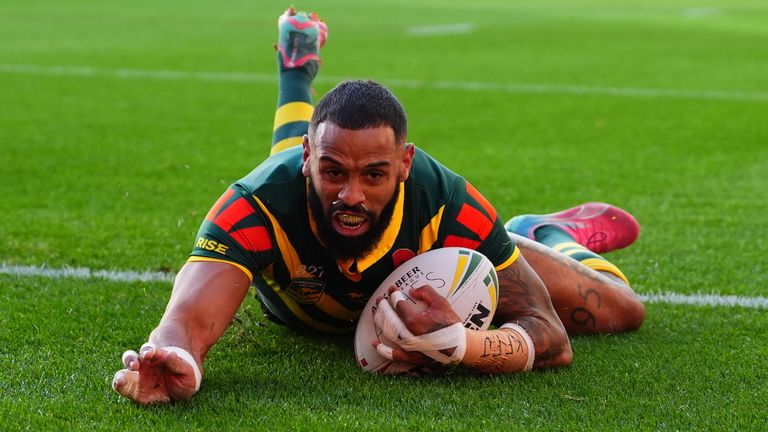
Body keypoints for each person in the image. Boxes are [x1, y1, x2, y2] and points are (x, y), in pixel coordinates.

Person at [113, 8, 644, 404]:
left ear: (405, 163)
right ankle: (295, 70)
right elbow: (189, 317)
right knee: (284, 167)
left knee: (624, 311)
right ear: (310, 161)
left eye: (376, 174)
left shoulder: (449, 205)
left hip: (357, 193)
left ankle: (545, 232)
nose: (352, 194)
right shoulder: (255, 207)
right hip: (290, 182)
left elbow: (551, 336)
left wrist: (463, 345)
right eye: (331, 172)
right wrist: (176, 357)